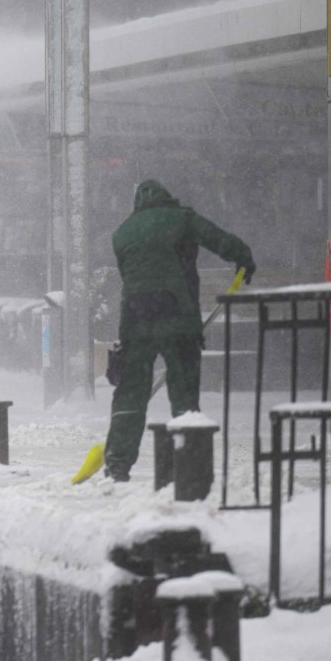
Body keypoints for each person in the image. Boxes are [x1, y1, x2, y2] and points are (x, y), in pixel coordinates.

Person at [104, 180, 256, 482]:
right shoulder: (182, 218)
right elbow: (217, 239)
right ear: (166, 199)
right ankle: (188, 463)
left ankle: (117, 463)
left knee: (131, 394)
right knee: (184, 390)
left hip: (135, 318)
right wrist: (243, 257)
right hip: (176, 315)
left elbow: (130, 277)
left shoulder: (122, 232)